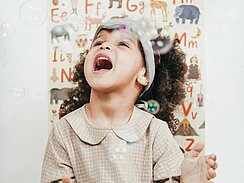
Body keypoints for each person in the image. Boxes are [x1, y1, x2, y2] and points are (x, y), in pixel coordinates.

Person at [41, 17, 217, 183]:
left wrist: (188, 181)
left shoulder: (154, 132)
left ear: (143, 74)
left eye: (123, 44)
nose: (105, 47)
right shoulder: (65, 130)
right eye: (99, 43)